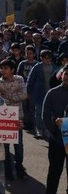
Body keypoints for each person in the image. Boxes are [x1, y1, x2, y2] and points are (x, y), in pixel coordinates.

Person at [0, 59, 27, 180]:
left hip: (17, 117)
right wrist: (14, 97)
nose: (3, 71)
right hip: (3, 117)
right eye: (1, 68)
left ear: (12, 70)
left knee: (18, 145)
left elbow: (24, 95)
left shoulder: (19, 79)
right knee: (5, 146)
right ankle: (7, 169)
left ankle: (19, 167)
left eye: (5, 68)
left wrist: (7, 96)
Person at [42, 65, 68, 194]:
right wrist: (54, 128)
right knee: (54, 173)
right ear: (61, 75)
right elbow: (45, 115)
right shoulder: (52, 93)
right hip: (57, 141)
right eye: (66, 73)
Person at [27, 49, 58, 138]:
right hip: (39, 92)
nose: (47, 59)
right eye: (44, 57)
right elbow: (30, 80)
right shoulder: (37, 67)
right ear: (41, 58)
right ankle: (39, 129)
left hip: (51, 93)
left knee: (49, 113)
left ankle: (47, 129)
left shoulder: (55, 67)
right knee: (39, 111)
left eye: (48, 58)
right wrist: (28, 92)